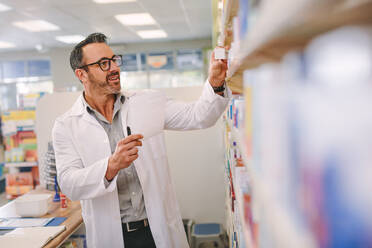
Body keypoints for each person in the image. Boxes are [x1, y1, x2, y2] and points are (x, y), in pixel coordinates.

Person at [52, 33, 230, 248]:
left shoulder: (147, 102)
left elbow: (199, 116)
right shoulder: (66, 125)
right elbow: (69, 184)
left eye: (114, 60)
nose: (114, 68)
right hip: (113, 236)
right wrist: (111, 166)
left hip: (157, 232)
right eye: (103, 64)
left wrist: (216, 83)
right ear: (82, 74)